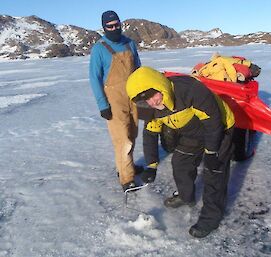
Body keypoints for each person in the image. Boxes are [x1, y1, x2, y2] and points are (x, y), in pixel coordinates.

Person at [126, 66, 235, 238]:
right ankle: (186, 196)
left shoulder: (190, 91)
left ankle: (211, 217)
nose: (152, 102)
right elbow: (150, 133)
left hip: (219, 129)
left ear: (160, 85)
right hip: (191, 131)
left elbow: (213, 122)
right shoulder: (151, 109)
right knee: (180, 163)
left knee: (214, 172)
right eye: (145, 100)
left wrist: (212, 152)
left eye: (153, 95)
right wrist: (151, 165)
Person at [89, 10, 141, 192]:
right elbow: (94, 78)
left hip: (132, 96)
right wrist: (103, 105)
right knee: (122, 139)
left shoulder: (129, 44)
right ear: (104, 28)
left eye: (116, 25)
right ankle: (127, 179)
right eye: (109, 26)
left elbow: (138, 70)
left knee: (133, 133)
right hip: (114, 99)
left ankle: (127, 167)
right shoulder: (99, 49)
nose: (114, 28)